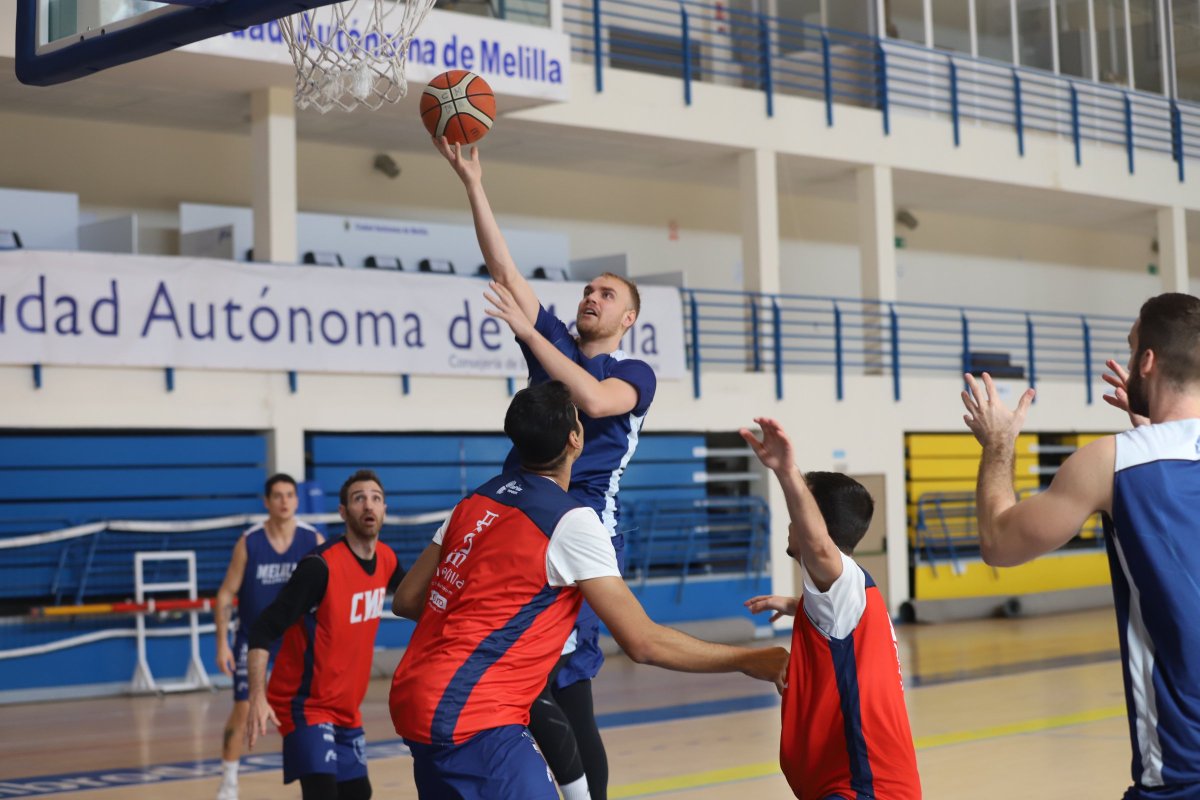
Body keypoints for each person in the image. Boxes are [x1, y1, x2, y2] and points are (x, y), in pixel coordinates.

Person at [388, 381, 788, 800]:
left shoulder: (472, 503)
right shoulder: (571, 521)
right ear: (575, 440)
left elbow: (408, 600)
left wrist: (476, 618)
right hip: (474, 713)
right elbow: (643, 642)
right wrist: (749, 659)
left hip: (416, 699)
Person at [436, 136, 656, 799]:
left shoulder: (633, 372)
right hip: (520, 522)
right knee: (517, 677)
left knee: (566, 686)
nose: (591, 296)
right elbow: (504, 270)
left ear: (629, 316)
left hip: (580, 534)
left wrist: (531, 335)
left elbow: (591, 399)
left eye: (606, 292)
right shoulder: (556, 345)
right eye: (588, 288)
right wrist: (473, 182)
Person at [961, 291, 1200, 800]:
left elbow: (998, 541)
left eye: (1133, 349)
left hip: (1183, 774)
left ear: (1148, 363)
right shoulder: (1134, 459)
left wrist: (999, 444)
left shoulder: (1112, 464)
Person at [740, 418, 922, 800]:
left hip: (863, 789)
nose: (792, 523)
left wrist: (787, 471)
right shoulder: (849, 598)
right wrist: (795, 606)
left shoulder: (844, 579)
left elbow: (821, 549)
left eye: (798, 513)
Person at [244, 469, 403, 800]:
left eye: (376, 498)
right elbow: (264, 628)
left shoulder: (387, 559)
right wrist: (257, 695)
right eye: (359, 499)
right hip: (304, 703)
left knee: (358, 793)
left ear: (385, 510)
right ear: (343, 512)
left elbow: (419, 602)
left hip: (346, 707)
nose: (368, 505)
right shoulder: (320, 567)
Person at [214, 473, 323, 800]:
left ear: (297, 500)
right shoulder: (249, 542)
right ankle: (229, 782)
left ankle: (316, 773)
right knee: (244, 709)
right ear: (266, 502)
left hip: (297, 640)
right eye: (277, 495)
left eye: (290, 494)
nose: (285, 501)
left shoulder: (313, 540)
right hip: (254, 637)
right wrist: (221, 642)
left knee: (308, 708)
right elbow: (224, 595)